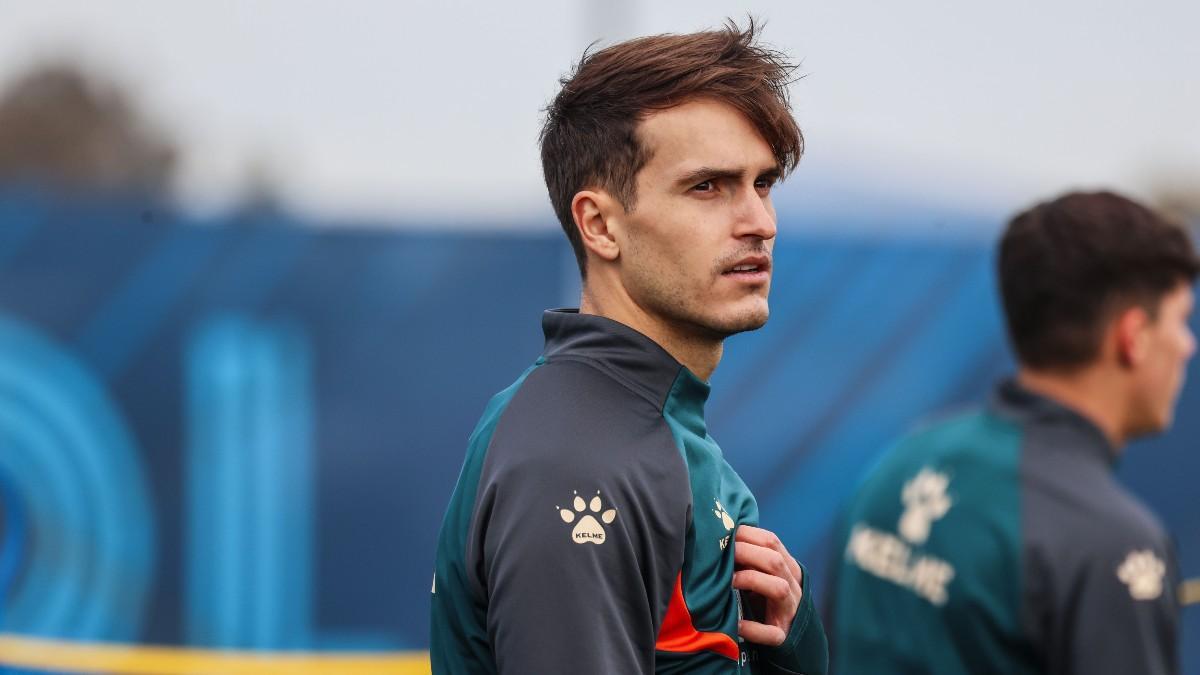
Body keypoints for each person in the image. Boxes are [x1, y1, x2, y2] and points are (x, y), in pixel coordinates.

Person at [431, 20, 828, 675]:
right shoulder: (576, 461)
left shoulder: (653, 422)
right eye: (709, 186)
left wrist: (792, 648)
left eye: (762, 183)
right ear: (600, 225)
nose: (760, 222)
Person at [826, 191, 1197, 674]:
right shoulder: (1114, 543)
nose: (1188, 346)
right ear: (1134, 338)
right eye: (1181, 321)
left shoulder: (905, 458)